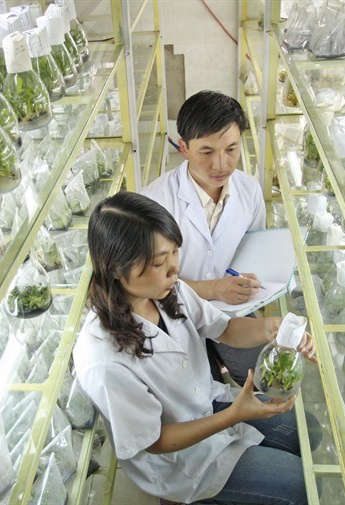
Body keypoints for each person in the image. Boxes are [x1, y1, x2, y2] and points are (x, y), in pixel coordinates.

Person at [73, 192, 318, 505]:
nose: (174, 269)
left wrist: (272, 329)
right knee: (300, 485)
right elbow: (154, 440)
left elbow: (224, 328)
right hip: (179, 459)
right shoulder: (103, 359)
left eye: (175, 252)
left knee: (308, 432)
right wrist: (234, 415)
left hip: (207, 402)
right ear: (116, 269)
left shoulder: (166, 289)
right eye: (159, 262)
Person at [141, 90, 267, 385]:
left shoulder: (249, 191)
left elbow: (255, 249)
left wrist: (249, 284)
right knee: (201, 395)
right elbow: (147, 285)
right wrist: (214, 289)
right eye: (207, 152)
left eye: (231, 149)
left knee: (261, 376)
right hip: (171, 314)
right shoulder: (155, 202)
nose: (221, 165)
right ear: (184, 148)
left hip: (232, 307)